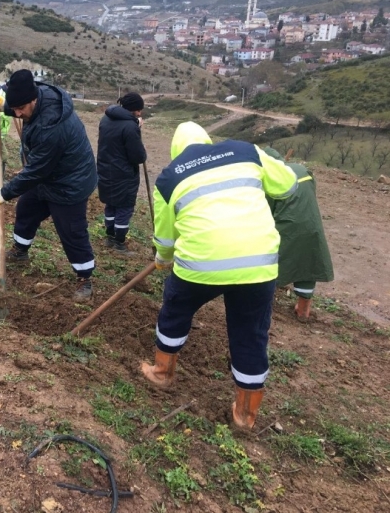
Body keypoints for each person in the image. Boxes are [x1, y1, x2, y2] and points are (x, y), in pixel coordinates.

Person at [141, 121, 298, 430]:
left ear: (176, 151)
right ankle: (245, 415)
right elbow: (288, 184)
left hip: (201, 264)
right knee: (251, 333)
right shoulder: (245, 151)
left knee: (175, 311)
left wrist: (162, 259)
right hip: (257, 264)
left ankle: (162, 374)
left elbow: (166, 239)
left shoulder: (170, 177)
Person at [0, 69, 98, 302]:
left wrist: (6, 192)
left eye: (20, 109)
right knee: (27, 209)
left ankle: (85, 278)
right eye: (15, 108)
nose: (17, 114)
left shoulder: (52, 127)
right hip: (49, 176)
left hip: (70, 182)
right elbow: (23, 109)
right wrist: (6, 105)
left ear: (33, 100)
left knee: (72, 231)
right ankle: (20, 251)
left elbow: (37, 171)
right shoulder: (39, 97)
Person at [262, 147, 334, 321]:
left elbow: (266, 213)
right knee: (308, 264)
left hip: (286, 229)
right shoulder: (303, 170)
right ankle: (303, 310)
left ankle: (263, 305)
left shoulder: (268, 178)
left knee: (268, 263)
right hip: (312, 225)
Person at [96, 92, 147, 256]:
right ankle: (119, 243)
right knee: (124, 207)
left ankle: (110, 237)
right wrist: (137, 130)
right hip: (124, 174)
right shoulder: (130, 127)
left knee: (111, 204)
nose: (140, 113)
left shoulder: (105, 119)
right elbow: (138, 156)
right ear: (133, 109)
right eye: (139, 110)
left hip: (105, 170)